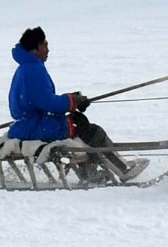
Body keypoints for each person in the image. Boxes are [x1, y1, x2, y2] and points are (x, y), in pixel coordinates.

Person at [7, 27, 136, 182]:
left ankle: (90, 173)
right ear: (36, 48)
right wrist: (73, 101)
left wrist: (71, 99)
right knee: (90, 131)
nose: (48, 50)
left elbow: (41, 100)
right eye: (45, 45)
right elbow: (48, 102)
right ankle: (122, 169)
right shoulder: (33, 70)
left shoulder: (25, 68)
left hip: (30, 125)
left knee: (78, 124)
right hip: (37, 127)